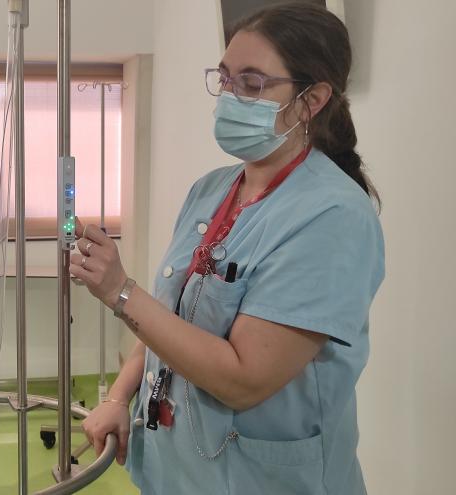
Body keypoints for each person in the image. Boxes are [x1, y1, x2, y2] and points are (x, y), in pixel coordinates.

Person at [76, 3, 384, 494]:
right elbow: (169, 315)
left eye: (253, 83)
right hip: (176, 470)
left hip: (259, 479)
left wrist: (120, 292)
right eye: (225, 79)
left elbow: (245, 378)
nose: (230, 97)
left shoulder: (332, 217)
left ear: (313, 100)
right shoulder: (212, 190)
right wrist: (118, 397)